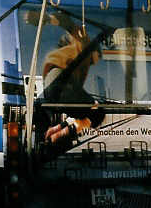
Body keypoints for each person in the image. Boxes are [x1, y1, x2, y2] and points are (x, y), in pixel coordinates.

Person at [39, 12, 104, 153]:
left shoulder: (78, 70)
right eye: (94, 60)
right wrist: (47, 19)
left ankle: (57, 131)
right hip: (59, 79)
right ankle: (61, 134)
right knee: (97, 113)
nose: (91, 64)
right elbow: (68, 23)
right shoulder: (83, 43)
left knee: (83, 111)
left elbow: (79, 104)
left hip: (53, 88)